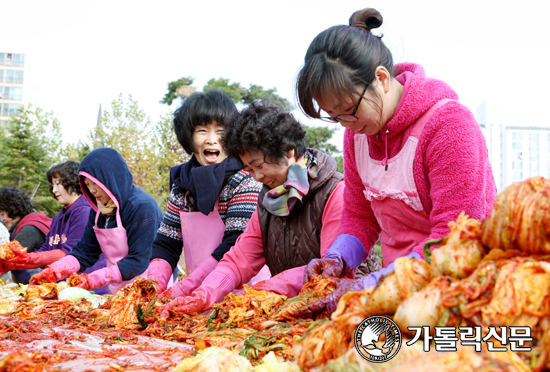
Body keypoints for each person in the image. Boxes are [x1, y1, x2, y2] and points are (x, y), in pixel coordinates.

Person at [294, 7, 497, 315]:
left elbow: (456, 242)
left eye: (349, 109)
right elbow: (360, 216)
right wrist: (337, 258)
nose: (345, 124)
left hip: (464, 295)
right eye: (334, 117)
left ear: (381, 78)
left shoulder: (449, 125)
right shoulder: (357, 135)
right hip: (399, 297)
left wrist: (370, 284)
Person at [158, 100, 381, 318]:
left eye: (259, 166)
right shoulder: (268, 201)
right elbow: (239, 260)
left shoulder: (335, 193)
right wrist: (203, 296)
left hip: (352, 312)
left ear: (288, 151)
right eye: (249, 169)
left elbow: (329, 273)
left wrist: (262, 291)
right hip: (298, 312)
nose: (256, 176)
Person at [147, 90, 269, 297]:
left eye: (221, 131)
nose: (212, 140)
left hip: (247, 295)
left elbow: (235, 245)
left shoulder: (245, 178)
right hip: (198, 296)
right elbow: (167, 242)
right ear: (188, 136)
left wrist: (186, 287)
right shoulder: (181, 184)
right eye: (202, 131)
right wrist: (153, 284)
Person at [29, 147, 163, 294]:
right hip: (120, 291)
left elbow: (139, 260)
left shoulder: (142, 206)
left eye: (95, 183)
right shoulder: (98, 211)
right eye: (87, 184)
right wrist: (55, 270)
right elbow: (84, 251)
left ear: (110, 179)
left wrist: (92, 279)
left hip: (151, 289)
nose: (91, 190)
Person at [1, 161, 109, 294]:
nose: (54, 190)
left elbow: (70, 254)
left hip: (88, 291)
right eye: (52, 185)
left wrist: (27, 259)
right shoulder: (58, 217)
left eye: (58, 184)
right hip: (63, 289)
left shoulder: (84, 211)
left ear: (72, 181)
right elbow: (46, 250)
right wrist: (15, 263)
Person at [0, 187, 51, 284]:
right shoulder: (31, 221)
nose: (2, 218)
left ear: (12, 208)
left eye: (3, 213)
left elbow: (9, 258)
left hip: (37, 283)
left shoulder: (28, 229)